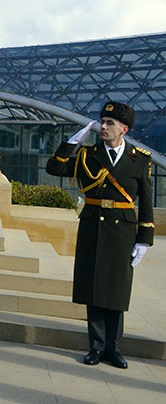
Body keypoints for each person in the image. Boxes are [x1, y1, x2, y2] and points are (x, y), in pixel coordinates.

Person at [45, 101, 154, 369]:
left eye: (110, 124)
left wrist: (144, 239)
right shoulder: (87, 155)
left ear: (124, 129)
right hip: (93, 226)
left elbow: (147, 201)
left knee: (116, 290)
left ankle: (113, 349)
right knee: (93, 287)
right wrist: (70, 144)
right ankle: (95, 347)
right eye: (102, 122)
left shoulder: (139, 158)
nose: (103, 127)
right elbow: (54, 169)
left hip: (123, 231)